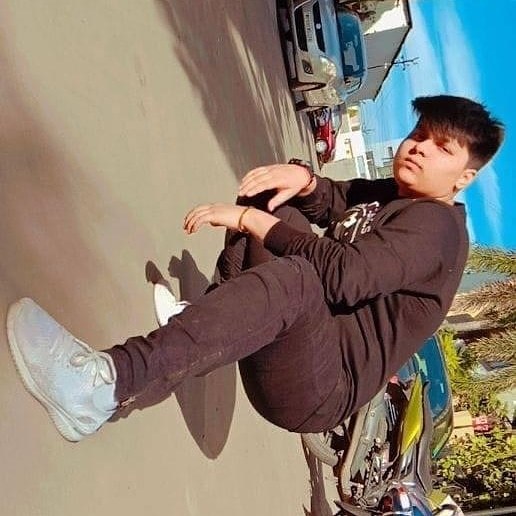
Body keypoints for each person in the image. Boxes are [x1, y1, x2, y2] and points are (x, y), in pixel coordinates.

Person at [6, 95, 504, 442]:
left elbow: (344, 277)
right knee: (274, 196)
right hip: (306, 342)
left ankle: (103, 386)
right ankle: (206, 318)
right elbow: (337, 199)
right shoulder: (394, 193)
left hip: (318, 388)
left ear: (464, 176)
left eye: (441, 147)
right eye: (418, 133)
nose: (418, 147)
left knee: (296, 273)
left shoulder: (436, 230)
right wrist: (303, 179)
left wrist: (251, 221)